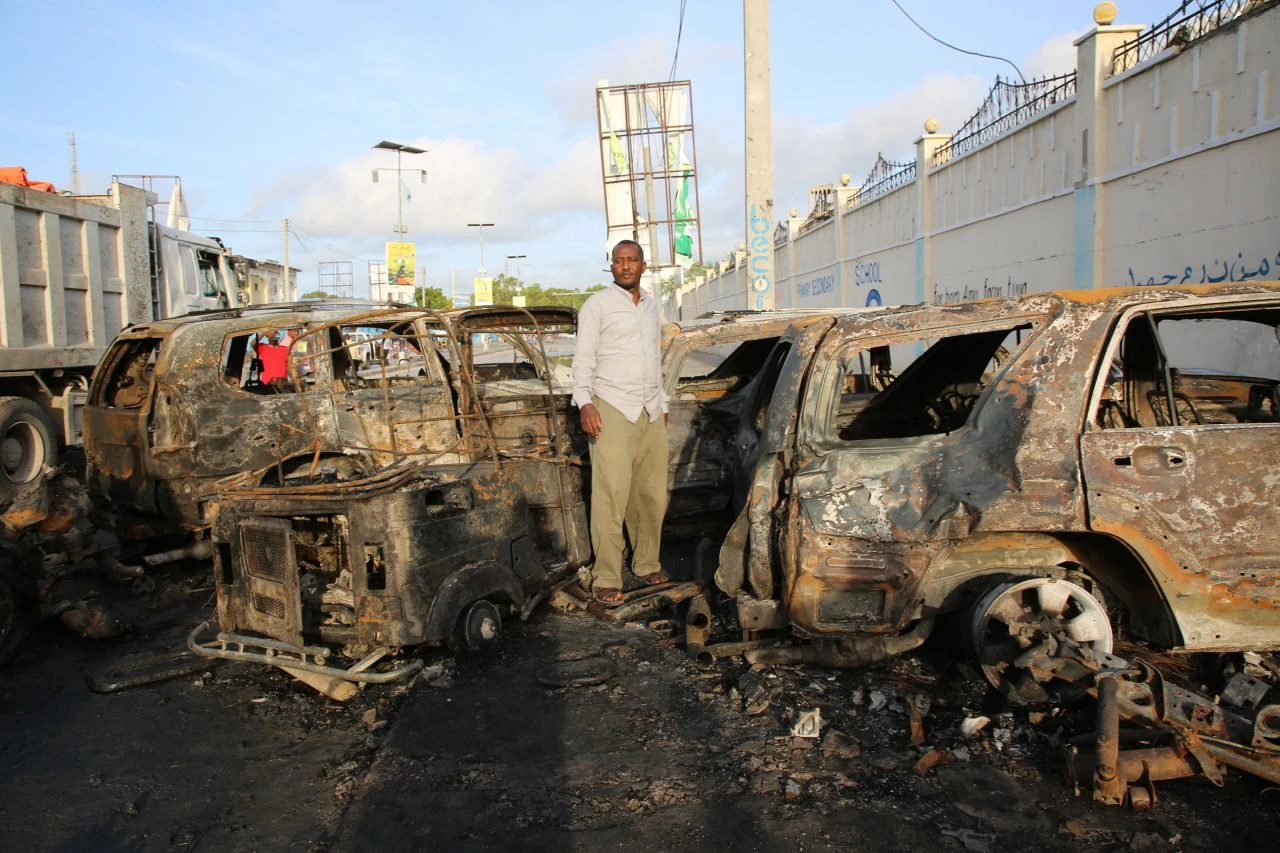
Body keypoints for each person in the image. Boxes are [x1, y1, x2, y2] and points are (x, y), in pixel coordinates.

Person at [571, 240, 669, 606]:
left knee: (651, 494)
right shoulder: (597, 305)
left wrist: (663, 403)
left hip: (649, 408)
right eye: (618, 261)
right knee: (611, 495)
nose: (625, 266)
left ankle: (646, 563)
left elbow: (654, 358)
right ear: (611, 266)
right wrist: (585, 403)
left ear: (644, 266)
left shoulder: (650, 306)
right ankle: (607, 575)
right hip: (611, 405)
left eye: (632, 261)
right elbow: (583, 360)